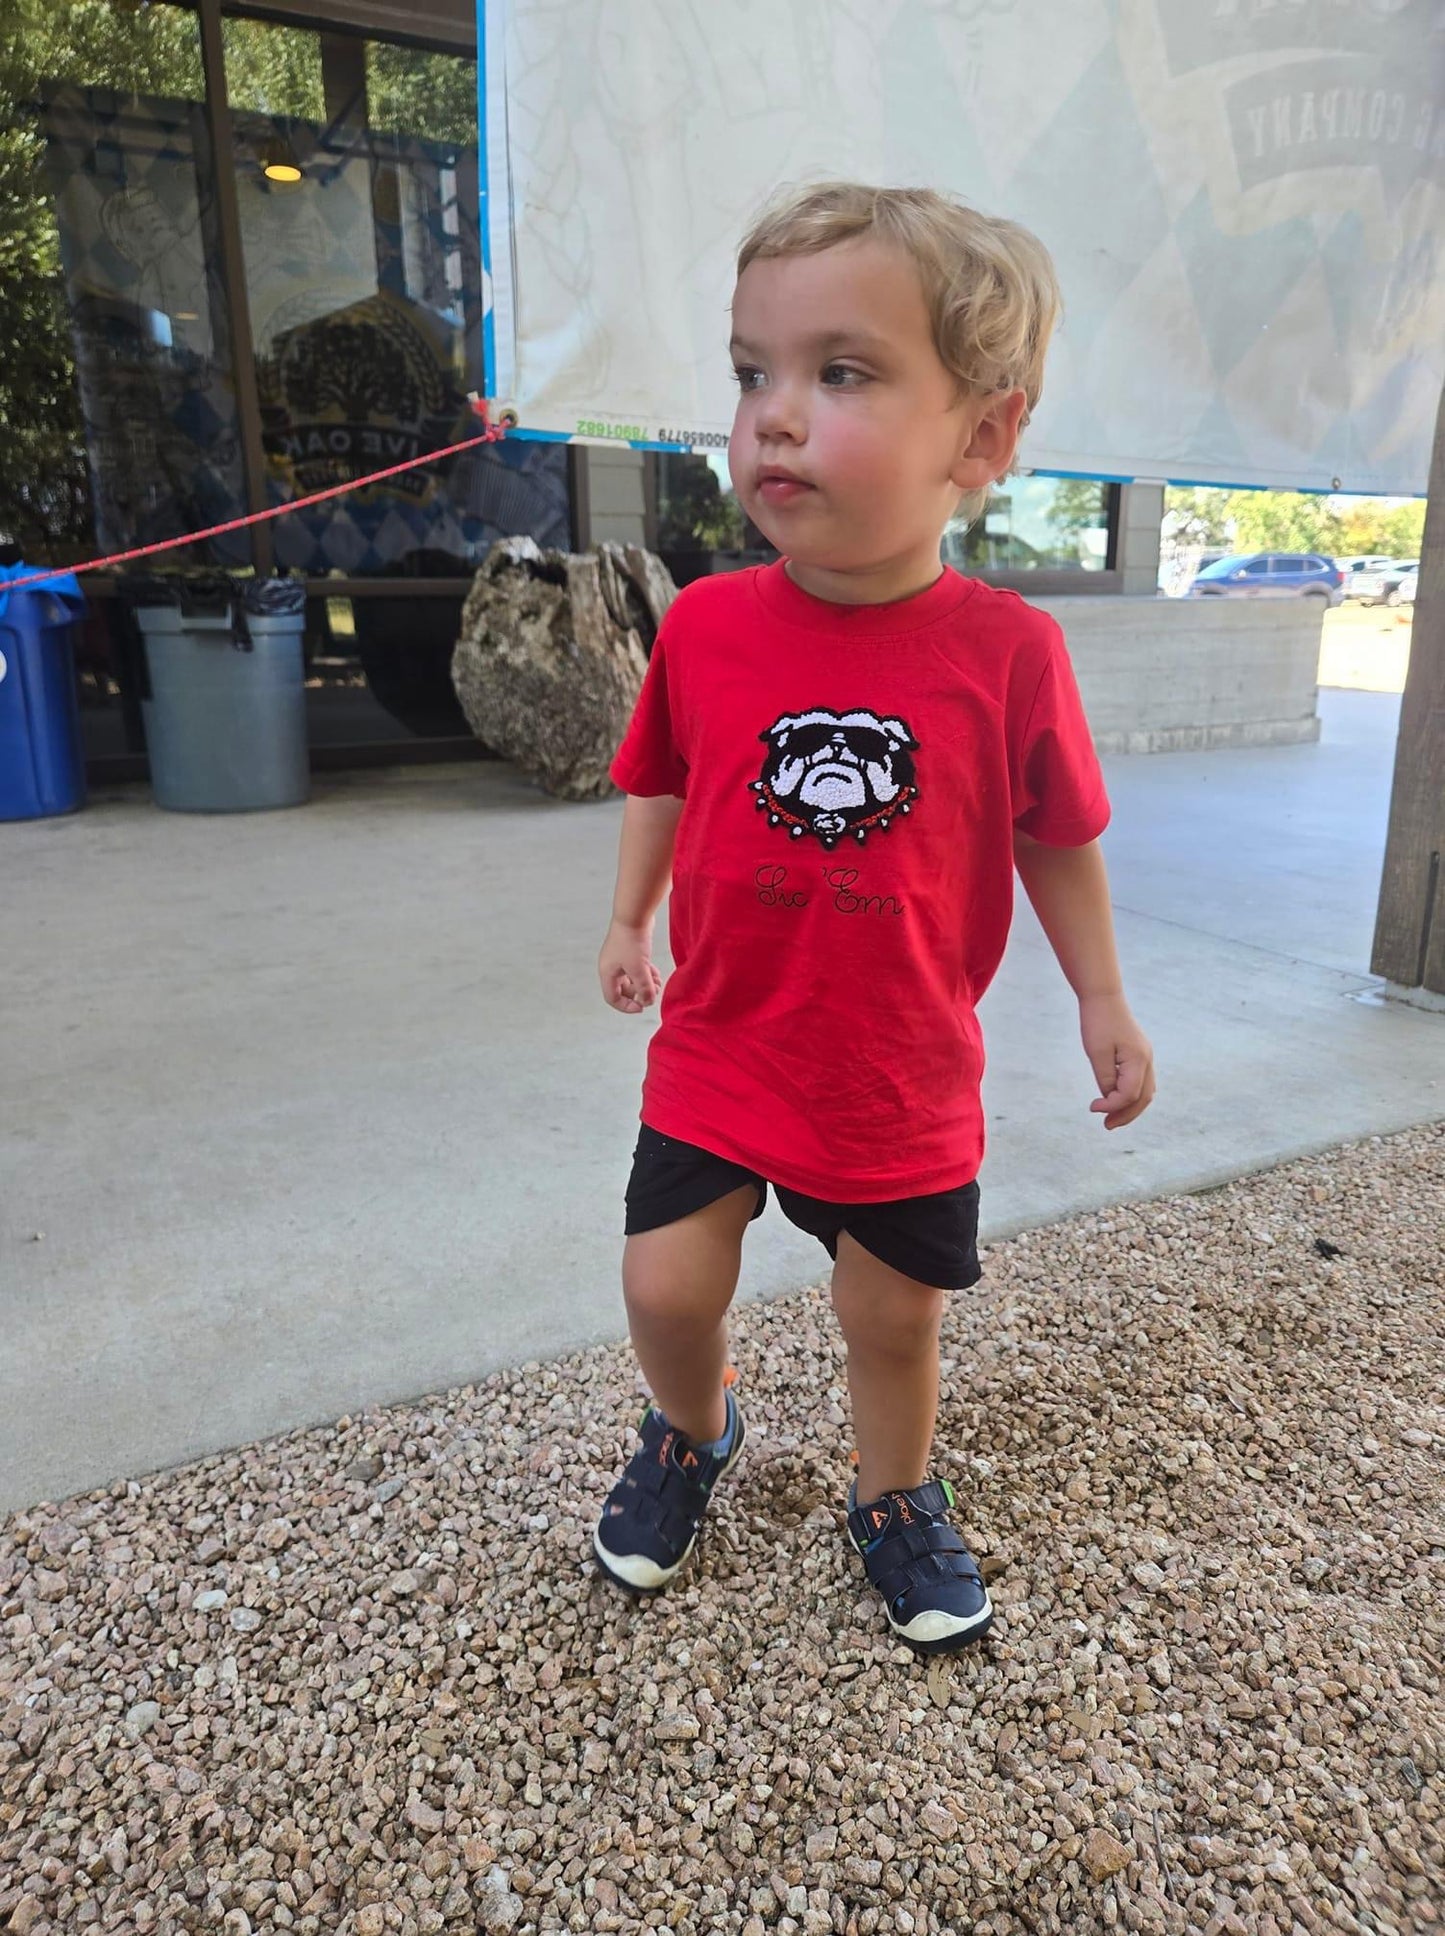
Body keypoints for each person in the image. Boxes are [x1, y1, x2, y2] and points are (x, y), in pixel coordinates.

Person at [591, 182, 1155, 1655]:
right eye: (749, 371)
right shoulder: (706, 622)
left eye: (838, 372)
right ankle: (690, 1432)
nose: (773, 414)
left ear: (981, 437)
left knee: (890, 1320)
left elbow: (1055, 833)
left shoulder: (1009, 652)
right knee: (661, 1278)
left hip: (896, 1068)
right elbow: (658, 776)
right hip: (722, 1041)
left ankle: (894, 1492)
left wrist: (1101, 997)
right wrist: (630, 918)